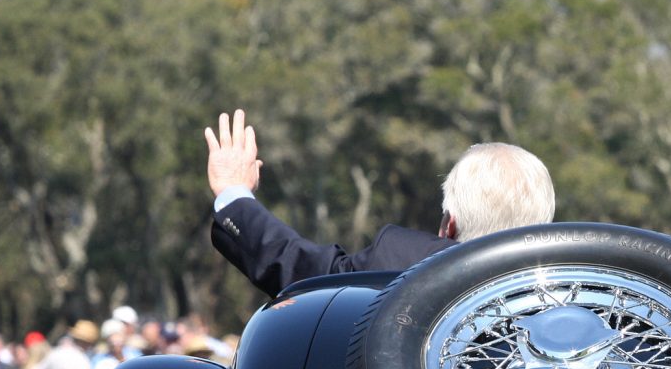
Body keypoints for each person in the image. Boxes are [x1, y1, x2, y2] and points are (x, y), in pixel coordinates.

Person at [204, 109, 556, 297]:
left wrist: (234, 192)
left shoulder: (402, 260)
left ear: (448, 224)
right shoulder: (592, 294)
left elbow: (301, 271)